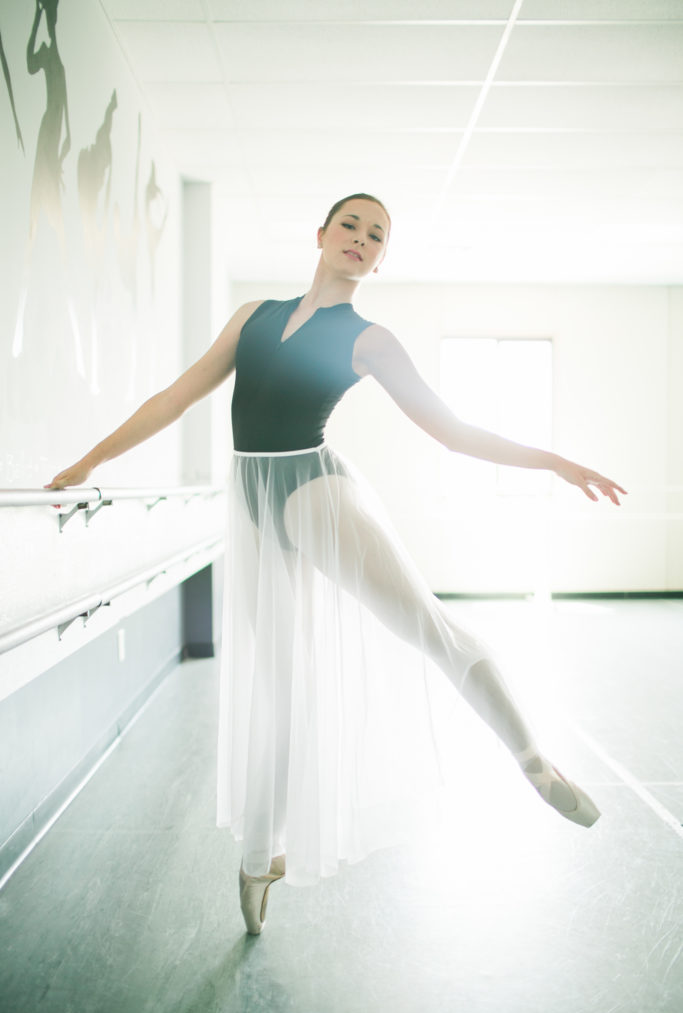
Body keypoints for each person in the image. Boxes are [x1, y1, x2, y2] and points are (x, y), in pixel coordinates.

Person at [47, 193, 627, 936]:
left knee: (428, 626)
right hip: (252, 501)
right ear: (320, 235)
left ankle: (534, 763)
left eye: (375, 235)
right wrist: (89, 460)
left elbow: (450, 430)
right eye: (350, 225)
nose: (360, 238)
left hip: (316, 493)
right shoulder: (253, 317)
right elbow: (175, 397)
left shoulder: (368, 339)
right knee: (276, 691)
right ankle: (259, 859)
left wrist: (550, 462)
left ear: (381, 259)